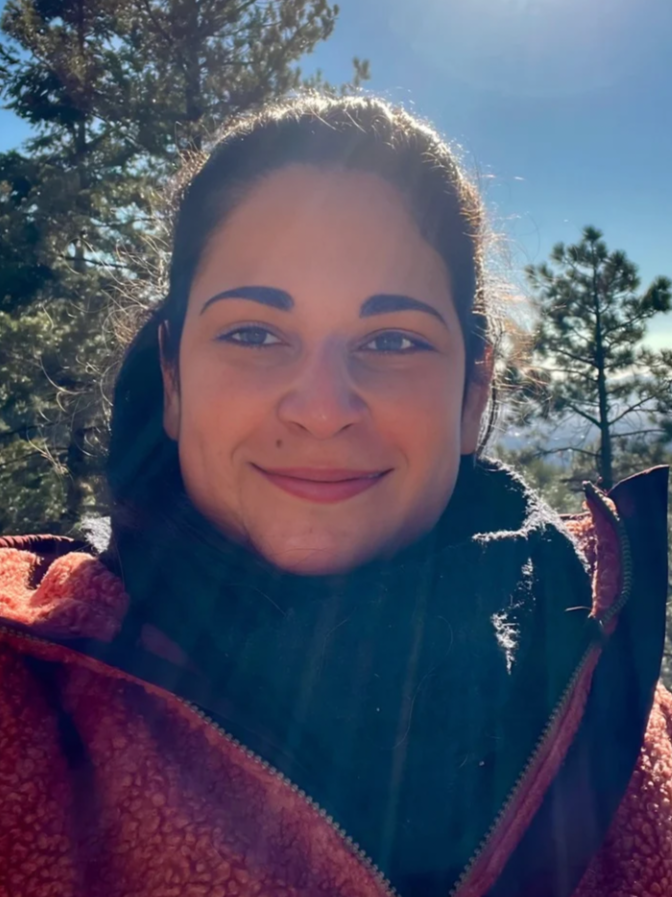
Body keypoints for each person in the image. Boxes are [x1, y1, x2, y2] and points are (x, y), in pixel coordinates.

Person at [0, 95, 669, 897]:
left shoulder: (623, 720)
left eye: (393, 340)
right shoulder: (27, 688)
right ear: (174, 379)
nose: (321, 408)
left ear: (472, 393)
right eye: (253, 333)